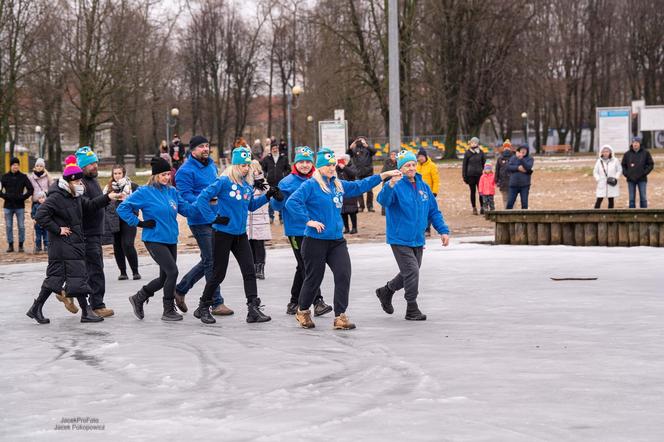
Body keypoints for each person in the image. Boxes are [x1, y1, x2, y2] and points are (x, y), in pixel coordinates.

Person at [286, 147, 401, 330]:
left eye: (333, 164)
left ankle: (340, 317)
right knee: (314, 278)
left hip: (337, 241)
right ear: (320, 167)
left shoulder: (338, 184)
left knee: (343, 274)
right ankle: (303, 311)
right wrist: (308, 221)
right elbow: (292, 202)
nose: (332, 168)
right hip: (315, 241)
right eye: (328, 165)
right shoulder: (311, 185)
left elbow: (359, 186)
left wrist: (383, 175)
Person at [193, 146, 283, 324]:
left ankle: (253, 309)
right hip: (222, 234)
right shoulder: (224, 181)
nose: (246, 168)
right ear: (235, 165)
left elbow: (250, 206)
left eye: (248, 165)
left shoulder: (247, 185)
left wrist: (268, 196)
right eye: (242, 165)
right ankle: (203, 306)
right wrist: (213, 218)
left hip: (240, 234)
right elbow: (202, 198)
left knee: (249, 271)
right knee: (219, 273)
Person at [27, 156, 103, 324]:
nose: (81, 185)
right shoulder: (57, 197)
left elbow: (90, 206)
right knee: (77, 276)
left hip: (73, 243)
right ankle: (86, 312)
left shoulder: (74, 195)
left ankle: (36, 308)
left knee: (61, 279)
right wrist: (58, 229)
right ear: (71, 181)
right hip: (63, 245)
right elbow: (40, 215)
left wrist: (107, 197)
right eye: (79, 182)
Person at [375, 150, 450, 321]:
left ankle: (386, 291)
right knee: (412, 270)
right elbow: (383, 201)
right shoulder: (396, 185)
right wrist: (390, 185)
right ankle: (412, 308)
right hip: (399, 237)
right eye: (407, 165)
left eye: (413, 164)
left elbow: (433, 211)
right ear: (400, 168)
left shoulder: (423, 186)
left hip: (417, 238)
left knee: (409, 272)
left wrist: (443, 230)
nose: (411, 168)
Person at [118, 157, 195, 322]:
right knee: (173, 272)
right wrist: (139, 223)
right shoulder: (144, 192)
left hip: (170, 239)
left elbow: (187, 209)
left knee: (164, 278)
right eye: (163, 175)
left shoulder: (172, 191)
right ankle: (168, 310)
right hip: (153, 239)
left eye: (168, 174)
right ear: (155, 176)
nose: (167, 178)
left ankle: (139, 297)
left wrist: (205, 203)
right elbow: (122, 208)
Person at [270, 146, 333, 317]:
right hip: (296, 230)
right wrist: (277, 198)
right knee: (308, 265)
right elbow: (276, 206)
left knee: (303, 265)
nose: (304, 165)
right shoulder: (287, 182)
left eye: (308, 161)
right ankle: (317, 301)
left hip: (314, 229)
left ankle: (293, 302)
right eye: (301, 162)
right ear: (295, 163)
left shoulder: (318, 179)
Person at [174, 135, 231, 316]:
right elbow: (184, 197)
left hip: (215, 218)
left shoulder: (211, 166)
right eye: (201, 147)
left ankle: (181, 289)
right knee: (212, 260)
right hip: (199, 220)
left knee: (209, 259)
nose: (205, 149)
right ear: (192, 150)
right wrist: (206, 200)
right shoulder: (185, 171)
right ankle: (216, 302)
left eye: (207, 146)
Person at [75, 146, 122, 317]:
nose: (95, 166)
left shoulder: (92, 180)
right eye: (90, 164)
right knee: (95, 270)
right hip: (87, 233)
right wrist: (107, 197)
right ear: (82, 166)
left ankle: (67, 291)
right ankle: (97, 305)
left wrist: (110, 197)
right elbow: (86, 206)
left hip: (95, 232)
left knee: (92, 269)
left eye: (95, 162)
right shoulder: (80, 183)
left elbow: (97, 202)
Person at [104, 165, 140, 280]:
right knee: (117, 246)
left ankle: (135, 271)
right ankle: (123, 272)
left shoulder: (132, 186)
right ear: (112, 175)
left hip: (128, 220)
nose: (117, 176)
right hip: (114, 220)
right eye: (115, 174)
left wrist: (135, 212)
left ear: (123, 174)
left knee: (128, 244)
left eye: (119, 173)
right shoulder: (108, 188)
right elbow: (102, 204)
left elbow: (140, 200)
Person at [0, 157, 33, 252]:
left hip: (20, 206)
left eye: (17, 165)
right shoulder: (4, 177)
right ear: (10, 166)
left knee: (21, 226)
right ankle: (10, 245)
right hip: (8, 206)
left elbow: (30, 189)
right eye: (14, 165)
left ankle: (21, 245)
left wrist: (23, 197)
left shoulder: (23, 177)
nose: (15, 166)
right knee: (8, 226)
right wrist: (5, 196)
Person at [246, 160, 271, 279]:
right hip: (248, 221)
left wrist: (259, 181)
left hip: (259, 220)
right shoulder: (245, 184)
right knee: (249, 245)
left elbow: (268, 193)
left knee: (259, 245)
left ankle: (260, 268)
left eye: (255, 169)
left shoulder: (263, 183)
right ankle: (251, 268)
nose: (253, 171)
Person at [621, 136, 654, 208]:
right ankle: (631, 215)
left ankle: (645, 214)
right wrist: (627, 174)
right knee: (631, 199)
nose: (635, 144)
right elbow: (623, 166)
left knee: (643, 198)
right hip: (630, 179)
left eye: (636, 142)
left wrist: (644, 173)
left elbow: (651, 164)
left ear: (639, 143)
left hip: (642, 179)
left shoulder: (646, 153)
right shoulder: (627, 154)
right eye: (633, 142)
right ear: (632, 144)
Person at [261, 142, 290, 223]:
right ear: (271, 149)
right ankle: (271, 217)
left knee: (281, 198)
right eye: (273, 148)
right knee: (270, 198)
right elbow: (263, 169)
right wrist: (266, 175)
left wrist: (284, 175)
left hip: (281, 182)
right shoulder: (267, 158)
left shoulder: (284, 158)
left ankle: (281, 217)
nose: (275, 150)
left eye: (276, 148)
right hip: (270, 182)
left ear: (278, 149)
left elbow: (288, 169)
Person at [27, 158, 52, 253]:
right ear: (35, 166)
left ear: (43, 167)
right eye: (37, 165)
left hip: (45, 201)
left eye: (41, 166)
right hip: (35, 201)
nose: (39, 167)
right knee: (37, 223)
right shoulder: (31, 177)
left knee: (46, 224)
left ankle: (46, 245)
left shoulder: (47, 177)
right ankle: (38, 246)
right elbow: (29, 188)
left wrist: (47, 194)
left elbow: (52, 187)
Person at [347, 136, 377, 212]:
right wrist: (352, 145)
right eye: (359, 140)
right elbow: (348, 153)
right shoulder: (354, 149)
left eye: (362, 140)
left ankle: (370, 207)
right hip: (358, 172)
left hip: (368, 172)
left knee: (369, 190)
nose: (360, 141)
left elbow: (374, 151)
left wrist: (366, 145)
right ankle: (361, 206)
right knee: (359, 189)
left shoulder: (368, 149)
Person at [416, 148, 440, 234]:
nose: (421, 158)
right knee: (419, 211)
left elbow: (436, 180)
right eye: (419, 156)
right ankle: (420, 228)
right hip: (417, 192)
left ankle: (427, 229)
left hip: (428, 192)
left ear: (426, 156)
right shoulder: (416, 166)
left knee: (428, 211)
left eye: (422, 156)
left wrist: (435, 192)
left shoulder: (432, 166)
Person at [592, 145, 622, 209]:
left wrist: (616, 178)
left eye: (607, 151)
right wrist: (598, 179)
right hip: (602, 182)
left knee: (611, 199)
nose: (605, 153)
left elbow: (619, 170)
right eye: (604, 151)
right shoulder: (599, 161)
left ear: (610, 152)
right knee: (599, 199)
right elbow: (595, 172)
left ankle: (610, 215)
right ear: (601, 153)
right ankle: (595, 213)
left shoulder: (615, 160)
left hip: (611, 182)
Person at [462, 137, 486, 215]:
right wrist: (464, 176)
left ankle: (482, 207)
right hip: (470, 176)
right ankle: (474, 208)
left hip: (480, 176)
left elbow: (484, 164)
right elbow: (464, 166)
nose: (473, 144)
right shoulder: (467, 153)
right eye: (472, 143)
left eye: (475, 143)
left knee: (481, 192)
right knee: (473, 192)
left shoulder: (481, 153)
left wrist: (485, 174)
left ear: (478, 143)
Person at [506, 144, 534, 210]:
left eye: (525, 150)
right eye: (522, 150)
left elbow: (528, 167)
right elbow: (508, 167)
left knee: (524, 203)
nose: (523, 151)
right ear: (519, 150)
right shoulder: (513, 158)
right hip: (513, 184)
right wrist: (517, 168)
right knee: (510, 203)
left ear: (527, 151)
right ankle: (507, 218)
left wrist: (521, 159)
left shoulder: (530, 158)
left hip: (525, 185)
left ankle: (524, 218)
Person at [336, 154, 359, 234]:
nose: (343, 161)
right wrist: (339, 166)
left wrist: (344, 167)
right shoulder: (339, 167)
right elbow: (336, 171)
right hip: (342, 191)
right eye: (342, 160)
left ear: (347, 160)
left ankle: (354, 228)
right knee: (343, 212)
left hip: (351, 191)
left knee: (352, 211)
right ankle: (346, 228)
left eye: (344, 160)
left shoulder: (352, 166)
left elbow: (353, 174)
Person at [494, 140, 514, 208]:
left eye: (508, 147)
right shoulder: (500, 158)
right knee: (505, 198)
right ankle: (506, 211)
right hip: (503, 181)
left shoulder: (514, 158)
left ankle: (513, 211)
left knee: (512, 198)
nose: (506, 148)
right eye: (505, 147)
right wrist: (496, 180)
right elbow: (497, 169)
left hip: (512, 181)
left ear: (510, 148)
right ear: (503, 148)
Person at [380, 151, 398, 216]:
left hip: (396, 183)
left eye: (395, 154)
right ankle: (384, 211)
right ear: (390, 156)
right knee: (386, 196)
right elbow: (383, 175)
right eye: (392, 154)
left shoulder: (399, 163)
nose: (393, 156)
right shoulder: (386, 163)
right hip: (387, 183)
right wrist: (392, 176)